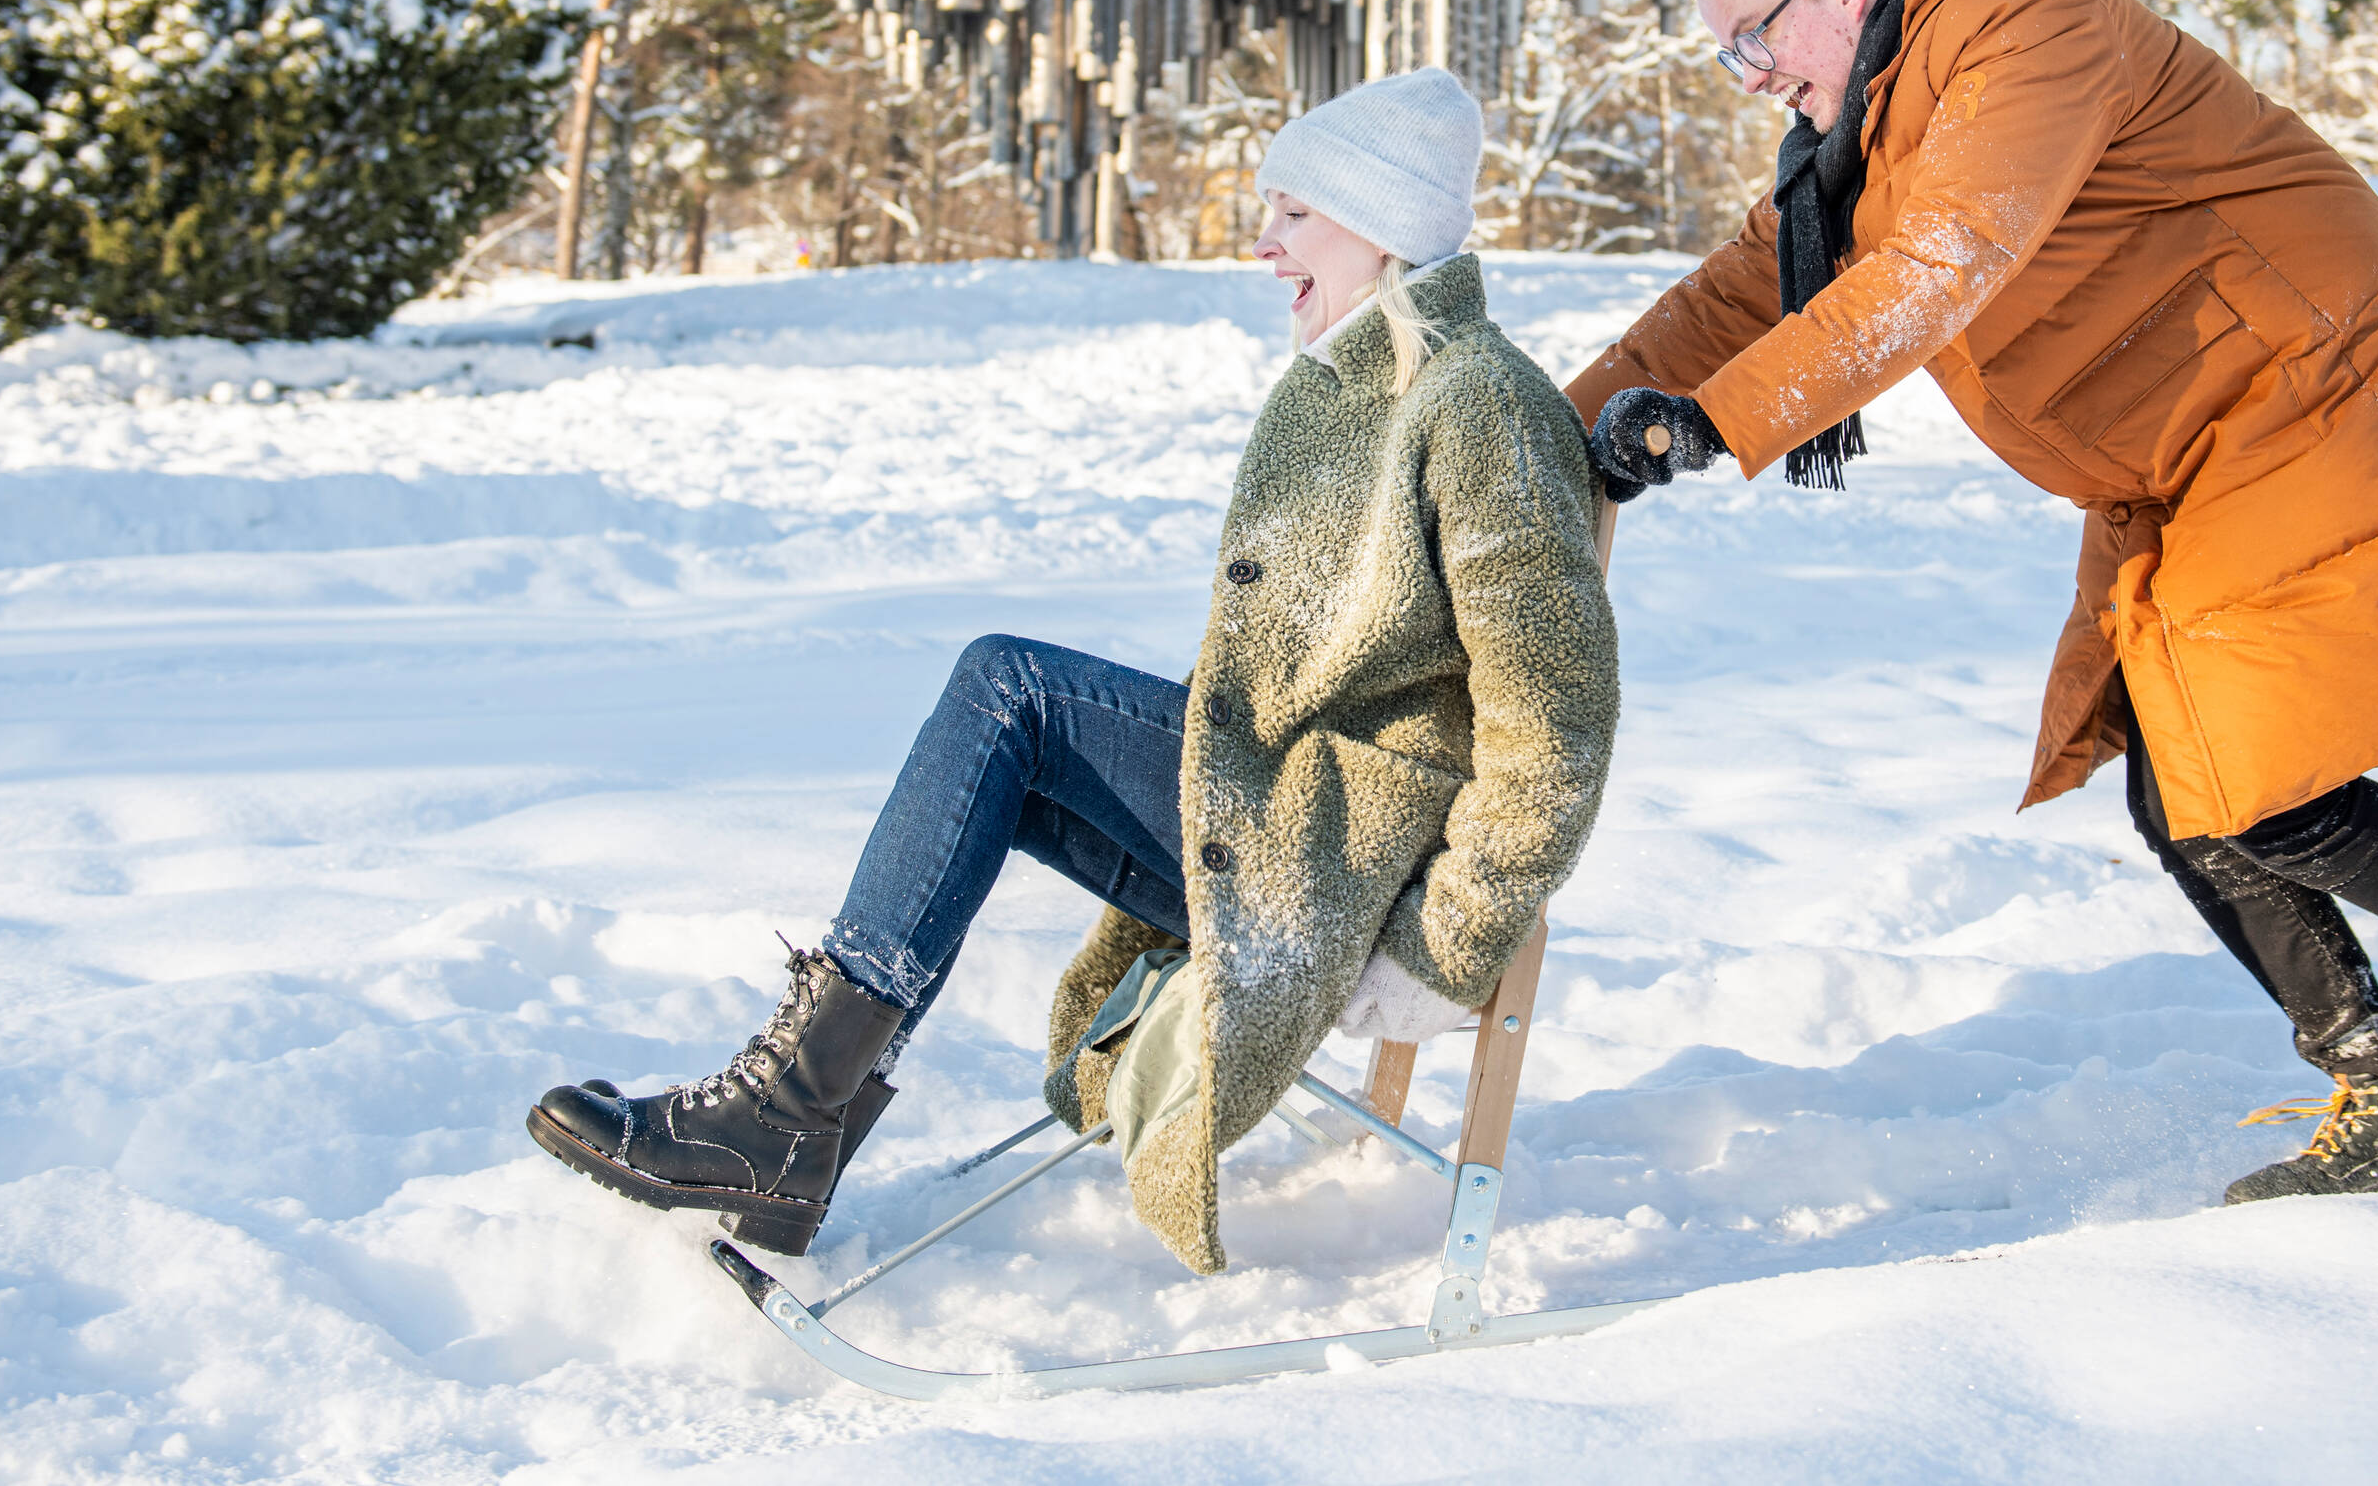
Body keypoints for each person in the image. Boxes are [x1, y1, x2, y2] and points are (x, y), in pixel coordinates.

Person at [1572, 0, 2378, 1202]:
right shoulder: (1876, 114)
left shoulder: (2026, 20)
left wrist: (1713, 420)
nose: (1755, 79)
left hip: (2306, 384)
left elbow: (1942, 262)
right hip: (2198, 436)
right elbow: (1745, 287)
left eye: (1754, 38)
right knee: (2184, 777)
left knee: (2241, 773)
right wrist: (1558, 429)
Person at [527, 68, 1619, 1273]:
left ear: (1380, 223)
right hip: (1281, 813)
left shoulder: (1481, 403)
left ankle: (786, 1115)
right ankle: (792, 1120)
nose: (1263, 245)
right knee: (1011, 724)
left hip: (1349, 851)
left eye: (1294, 213)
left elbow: (1552, 717)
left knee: (1012, 691)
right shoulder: (1360, 391)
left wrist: (1450, 942)